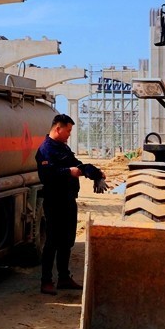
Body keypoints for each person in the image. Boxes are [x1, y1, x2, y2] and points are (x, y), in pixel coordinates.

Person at [35, 113, 106, 296]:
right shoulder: (45, 150)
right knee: (52, 241)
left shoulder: (62, 148)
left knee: (66, 241)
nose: (69, 135)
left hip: (68, 200)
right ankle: (46, 281)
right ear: (58, 128)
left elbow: (79, 166)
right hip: (54, 201)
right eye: (68, 131)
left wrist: (97, 174)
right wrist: (68, 172)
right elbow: (48, 175)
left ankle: (64, 278)